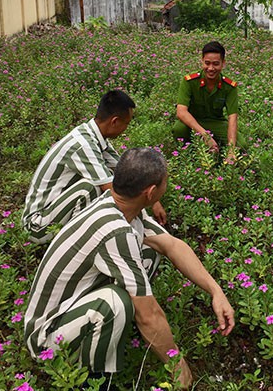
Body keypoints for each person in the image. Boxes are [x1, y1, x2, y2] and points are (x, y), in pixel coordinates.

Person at [24, 147, 235, 390]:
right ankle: (92, 382)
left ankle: (111, 335)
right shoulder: (115, 230)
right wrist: (178, 366)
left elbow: (172, 245)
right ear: (151, 192)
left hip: (73, 307)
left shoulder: (121, 206)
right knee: (115, 303)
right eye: (166, 181)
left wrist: (215, 291)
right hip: (47, 338)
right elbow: (149, 315)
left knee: (149, 251)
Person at [22, 90, 166, 244]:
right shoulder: (82, 145)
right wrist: (145, 207)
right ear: (115, 121)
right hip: (37, 225)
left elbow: (124, 172)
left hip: (55, 211)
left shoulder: (96, 139)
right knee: (91, 187)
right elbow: (111, 187)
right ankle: (74, 243)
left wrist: (154, 201)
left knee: (105, 187)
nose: (126, 129)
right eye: (126, 124)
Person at [172, 41, 242, 160]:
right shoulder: (189, 82)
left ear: (223, 63)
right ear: (202, 61)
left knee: (241, 146)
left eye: (216, 64)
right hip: (193, 121)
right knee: (179, 129)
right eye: (207, 63)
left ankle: (220, 155)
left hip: (216, 123)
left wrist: (231, 150)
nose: (211, 68)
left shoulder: (229, 87)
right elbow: (181, 112)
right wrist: (206, 136)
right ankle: (187, 155)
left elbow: (232, 117)